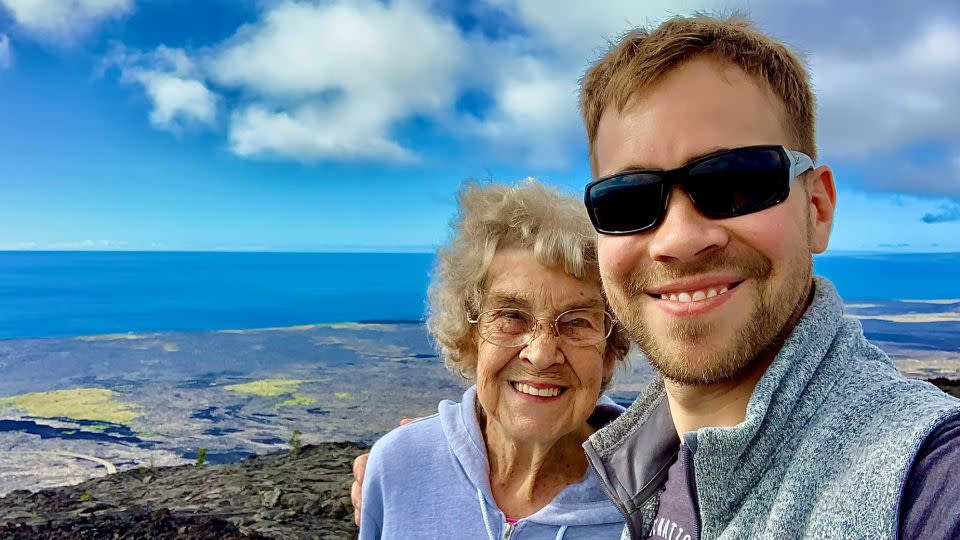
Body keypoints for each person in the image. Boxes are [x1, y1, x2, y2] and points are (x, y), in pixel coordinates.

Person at [354, 14, 960, 539]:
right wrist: (413, 463)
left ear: (818, 209)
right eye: (629, 199)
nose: (678, 238)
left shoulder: (924, 477)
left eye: (736, 182)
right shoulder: (645, 468)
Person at [358, 180, 631, 539]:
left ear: (610, 351)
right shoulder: (398, 466)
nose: (541, 354)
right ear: (470, 336)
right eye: (511, 317)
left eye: (577, 322)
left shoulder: (657, 502)